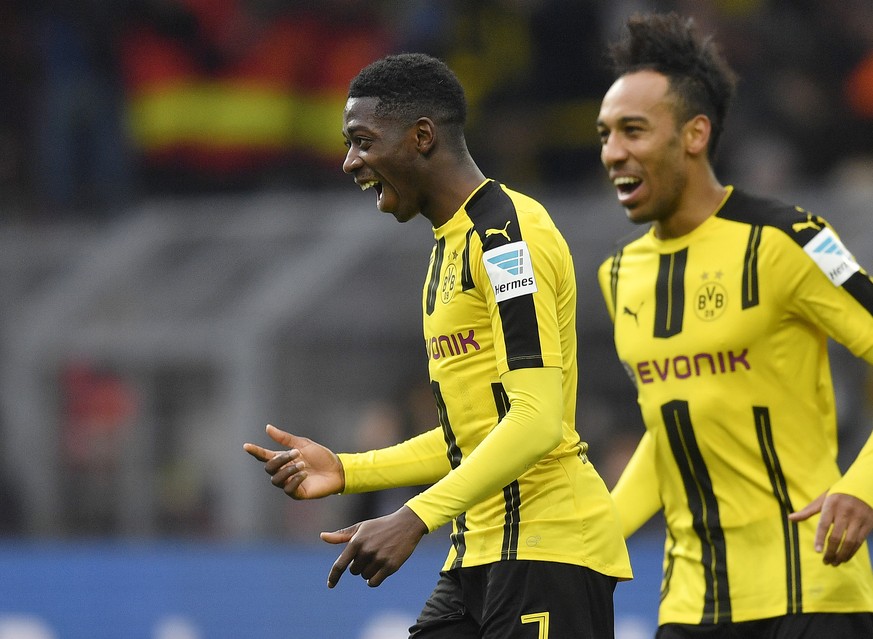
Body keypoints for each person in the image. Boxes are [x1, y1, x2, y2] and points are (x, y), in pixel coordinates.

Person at [244, 52, 632, 638]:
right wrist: (348, 469)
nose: (350, 162)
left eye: (363, 142)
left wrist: (414, 517)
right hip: (478, 554)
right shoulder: (448, 248)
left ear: (422, 137)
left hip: (548, 551)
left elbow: (536, 420)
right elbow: (471, 435)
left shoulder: (506, 239)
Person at [595, 12, 873, 638]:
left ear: (694, 133)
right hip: (691, 607)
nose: (613, 152)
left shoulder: (789, 240)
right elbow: (669, 429)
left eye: (634, 130)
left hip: (810, 592)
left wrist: (863, 487)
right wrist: (596, 538)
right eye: (606, 134)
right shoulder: (619, 275)